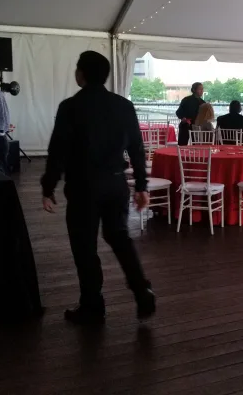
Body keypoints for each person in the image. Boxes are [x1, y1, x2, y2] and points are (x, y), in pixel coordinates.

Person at [40, 51, 155, 325]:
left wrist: (49, 186)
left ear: (81, 73)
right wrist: (141, 185)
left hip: (83, 186)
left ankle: (93, 306)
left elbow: (58, 151)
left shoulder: (70, 107)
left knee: (85, 247)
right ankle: (142, 291)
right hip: (116, 183)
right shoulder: (123, 106)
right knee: (119, 238)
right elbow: (137, 149)